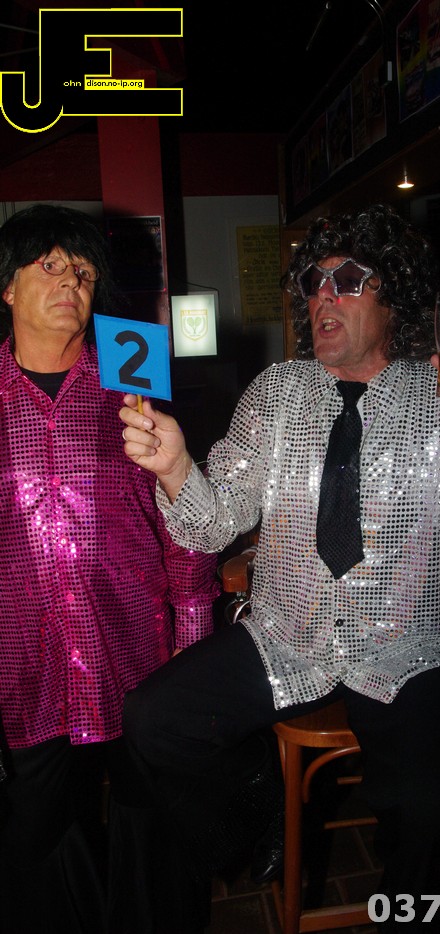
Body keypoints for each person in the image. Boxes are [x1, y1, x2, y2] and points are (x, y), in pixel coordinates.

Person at [120, 202, 440, 932]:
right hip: (287, 635)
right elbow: (213, 524)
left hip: (410, 644)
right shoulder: (276, 393)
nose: (323, 295)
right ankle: (258, 816)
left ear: (394, 295)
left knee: (435, 795)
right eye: (313, 281)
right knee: (154, 722)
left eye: (348, 279)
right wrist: (177, 468)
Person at [0, 203, 221, 934]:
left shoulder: (132, 383)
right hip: (22, 667)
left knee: (149, 830)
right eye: (51, 265)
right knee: (35, 838)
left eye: (85, 272)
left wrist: (192, 643)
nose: (72, 282)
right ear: (8, 286)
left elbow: (181, 519)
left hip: (134, 654)